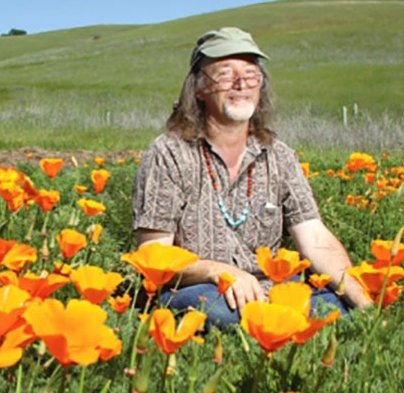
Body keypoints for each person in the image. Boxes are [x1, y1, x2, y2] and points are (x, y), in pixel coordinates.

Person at [132, 27, 370, 326]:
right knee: (219, 314)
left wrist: (364, 303)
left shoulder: (279, 156)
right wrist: (216, 271)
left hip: (271, 288)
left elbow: (315, 239)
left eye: (251, 73)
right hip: (201, 289)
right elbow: (153, 253)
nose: (241, 82)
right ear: (198, 88)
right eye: (225, 73)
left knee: (337, 310)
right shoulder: (168, 153)